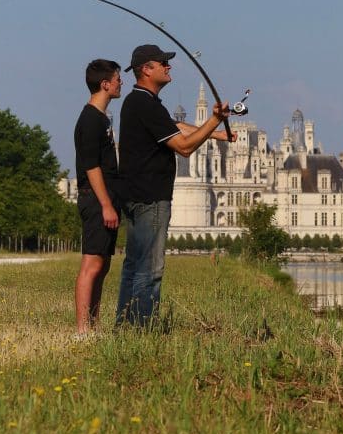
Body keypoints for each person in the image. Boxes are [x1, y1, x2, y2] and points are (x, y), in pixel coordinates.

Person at [116, 44, 235, 326]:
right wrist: (214, 119)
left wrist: (216, 134)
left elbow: (175, 127)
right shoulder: (145, 103)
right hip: (151, 197)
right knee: (150, 269)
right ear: (146, 69)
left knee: (133, 266)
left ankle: (125, 325)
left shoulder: (139, 102)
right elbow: (183, 147)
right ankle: (142, 328)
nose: (169, 67)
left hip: (135, 195)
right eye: (163, 63)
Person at [73, 59, 124, 335]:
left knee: (102, 265)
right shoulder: (91, 120)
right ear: (105, 84)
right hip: (96, 200)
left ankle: (93, 324)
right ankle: (82, 330)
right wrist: (105, 205)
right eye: (117, 79)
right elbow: (91, 166)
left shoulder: (102, 118)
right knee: (91, 264)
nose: (120, 83)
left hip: (106, 200)